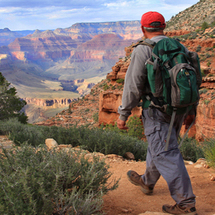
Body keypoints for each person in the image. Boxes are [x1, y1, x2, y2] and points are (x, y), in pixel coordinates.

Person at [117, 11, 198, 215]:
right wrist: (191, 111)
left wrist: (123, 114)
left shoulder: (143, 50)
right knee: (159, 145)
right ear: (163, 26)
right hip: (179, 108)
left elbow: (133, 87)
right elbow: (193, 82)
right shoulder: (180, 47)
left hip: (156, 111)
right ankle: (147, 182)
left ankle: (185, 203)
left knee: (165, 152)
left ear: (143, 29)